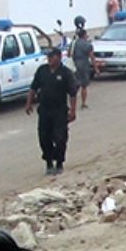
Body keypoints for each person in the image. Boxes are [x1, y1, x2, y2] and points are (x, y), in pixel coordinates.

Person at [25, 44, 78, 175]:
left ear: (59, 57)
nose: (49, 59)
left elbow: (72, 93)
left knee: (60, 138)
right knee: (44, 137)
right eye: (48, 57)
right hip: (44, 110)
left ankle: (59, 163)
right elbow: (33, 88)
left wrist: (72, 111)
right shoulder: (42, 70)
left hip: (59, 110)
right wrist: (29, 103)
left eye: (52, 56)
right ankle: (49, 162)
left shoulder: (66, 73)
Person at [70, 20, 96, 110]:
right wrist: (96, 68)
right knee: (84, 86)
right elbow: (92, 57)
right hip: (84, 65)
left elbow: (70, 54)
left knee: (75, 86)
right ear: (84, 35)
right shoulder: (87, 44)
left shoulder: (73, 43)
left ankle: (72, 103)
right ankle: (83, 103)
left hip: (75, 65)